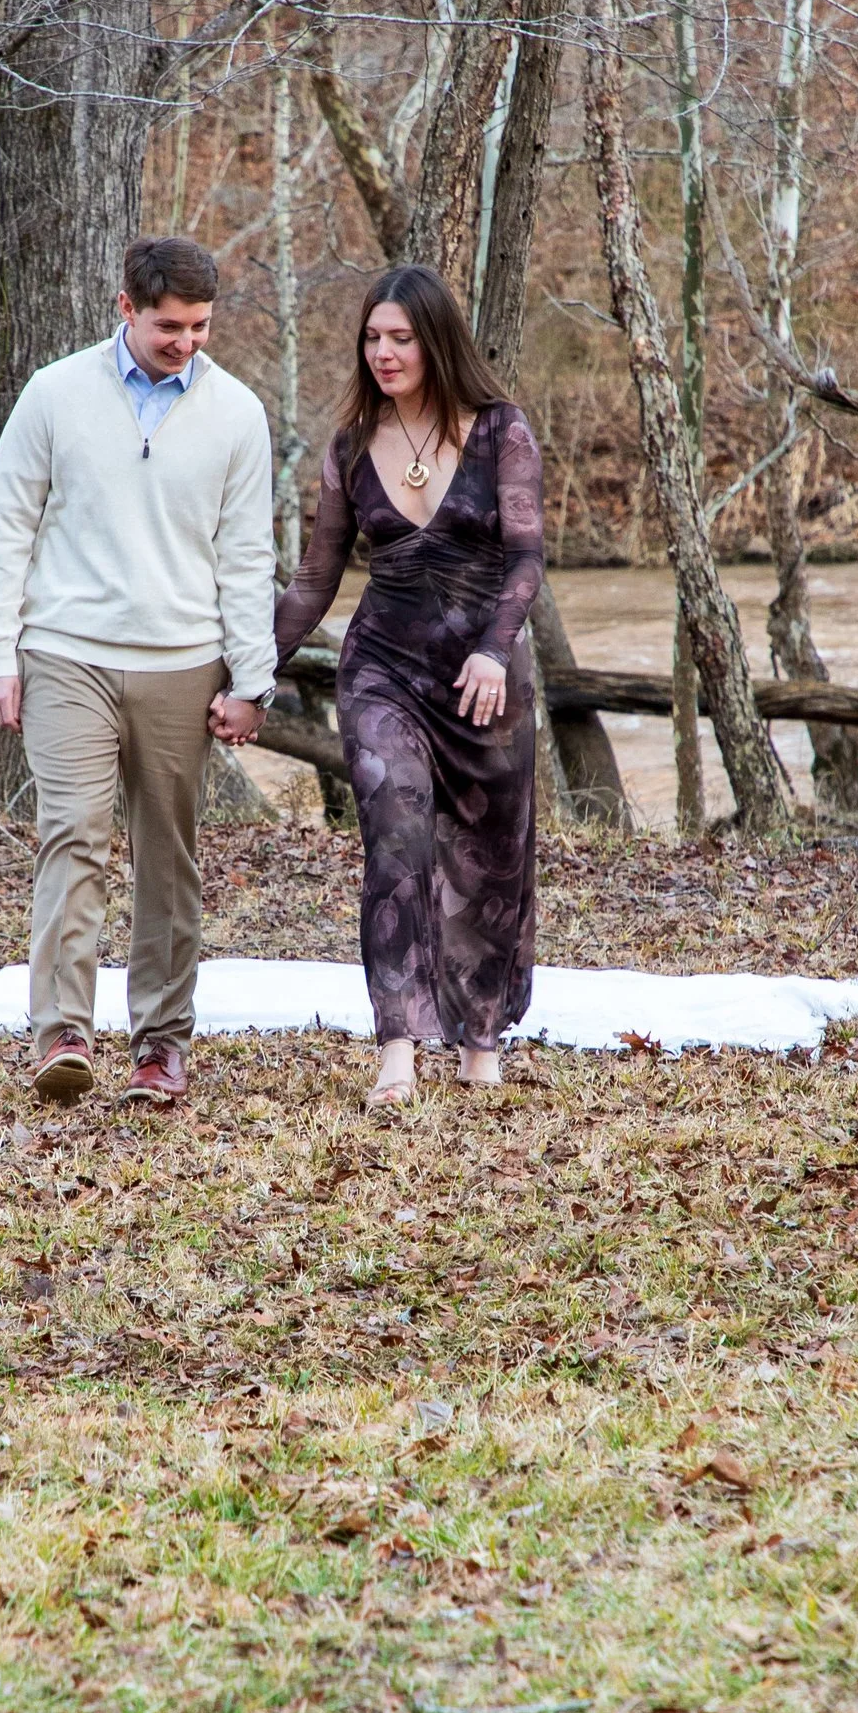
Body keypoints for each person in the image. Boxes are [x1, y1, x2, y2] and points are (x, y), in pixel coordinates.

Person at [0, 235, 276, 1107]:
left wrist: (251, 680)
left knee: (166, 856)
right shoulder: (55, 394)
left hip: (183, 662)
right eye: (169, 326)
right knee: (72, 833)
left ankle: (160, 1047)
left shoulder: (237, 413)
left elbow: (246, 556)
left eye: (200, 326)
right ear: (127, 309)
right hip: (67, 653)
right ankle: (62, 1034)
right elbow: (6, 527)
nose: (187, 342)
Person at [273, 263, 544, 1106]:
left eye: (400, 338)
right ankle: (397, 1046)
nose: (383, 353)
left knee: (490, 857)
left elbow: (527, 559)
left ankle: (481, 1038)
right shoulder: (350, 447)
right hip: (383, 670)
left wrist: (494, 650)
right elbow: (315, 582)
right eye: (371, 338)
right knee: (396, 841)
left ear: (436, 342)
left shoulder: (500, 431)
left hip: (483, 678)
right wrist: (249, 672)